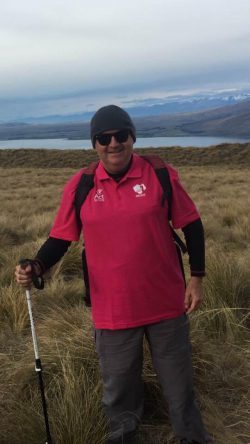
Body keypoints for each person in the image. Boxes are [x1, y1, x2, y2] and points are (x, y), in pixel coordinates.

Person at [15, 105, 212, 444]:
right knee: (119, 394)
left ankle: (192, 438)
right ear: (94, 144)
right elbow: (62, 237)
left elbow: (191, 223)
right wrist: (37, 266)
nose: (113, 143)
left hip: (166, 302)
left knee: (180, 389)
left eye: (121, 135)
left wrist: (196, 278)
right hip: (113, 310)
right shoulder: (82, 185)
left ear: (133, 137)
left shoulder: (160, 173)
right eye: (104, 138)